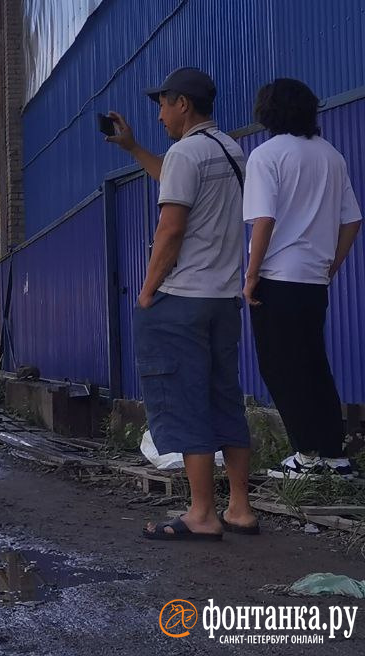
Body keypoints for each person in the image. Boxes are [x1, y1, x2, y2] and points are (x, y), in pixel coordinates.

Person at [106, 67, 258, 540]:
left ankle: (200, 514)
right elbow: (175, 179)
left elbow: (170, 229)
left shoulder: (185, 152)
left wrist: (149, 290)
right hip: (222, 299)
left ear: (183, 104)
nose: (159, 114)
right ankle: (239, 509)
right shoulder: (229, 151)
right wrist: (132, 149)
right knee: (223, 397)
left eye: (163, 105)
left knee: (185, 400)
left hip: (183, 299)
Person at [243, 78, 361, 479]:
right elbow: (352, 220)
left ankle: (306, 456)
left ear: (267, 112)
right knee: (314, 364)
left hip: (277, 277)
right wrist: (331, 266)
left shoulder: (266, 155)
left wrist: (251, 273)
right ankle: (334, 455)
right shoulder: (331, 156)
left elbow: (264, 219)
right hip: (314, 281)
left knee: (280, 367)